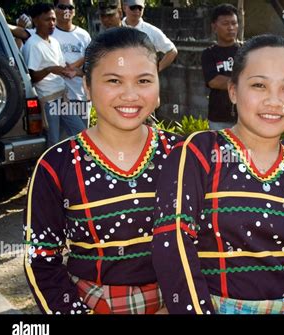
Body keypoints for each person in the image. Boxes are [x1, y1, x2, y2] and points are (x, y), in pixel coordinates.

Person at [152, 34, 284, 314]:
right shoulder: (197, 153)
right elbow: (173, 242)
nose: (274, 100)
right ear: (233, 90)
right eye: (259, 85)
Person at [24, 27, 181, 314]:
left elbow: (210, 242)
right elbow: (42, 258)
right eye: (113, 80)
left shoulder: (183, 156)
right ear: (87, 85)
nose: (130, 95)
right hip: (92, 304)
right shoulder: (56, 165)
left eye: (144, 80)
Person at [21, 3, 85, 147]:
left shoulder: (54, 42)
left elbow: (60, 67)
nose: (52, 23)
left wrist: (69, 71)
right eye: (47, 20)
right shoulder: (32, 45)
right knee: (54, 142)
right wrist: (49, 69)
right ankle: (51, 169)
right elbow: (32, 77)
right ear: (36, 20)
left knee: (81, 132)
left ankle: (78, 166)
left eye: (53, 20)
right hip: (48, 100)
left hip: (62, 96)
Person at [52, 0, 92, 126]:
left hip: (81, 96)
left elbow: (91, 60)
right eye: (62, 7)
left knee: (82, 139)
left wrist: (74, 68)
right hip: (56, 98)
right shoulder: (48, 33)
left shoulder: (84, 35)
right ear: (54, 9)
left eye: (70, 7)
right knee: (60, 141)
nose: (66, 11)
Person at [201, 3, 240, 130]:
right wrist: (244, 83)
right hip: (218, 118)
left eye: (234, 23)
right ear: (214, 26)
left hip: (244, 116)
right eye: (225, 24)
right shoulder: (209, 53)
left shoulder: (246, 52)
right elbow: (213, 81)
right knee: (219, 149)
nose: (231, 28)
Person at [122, 0, 177, 72]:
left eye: (140, 8)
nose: (137, 11)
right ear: (124, 7)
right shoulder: (116, 28)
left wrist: (155, 70)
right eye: (133, 7)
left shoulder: (151, 31)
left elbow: (172, 51)